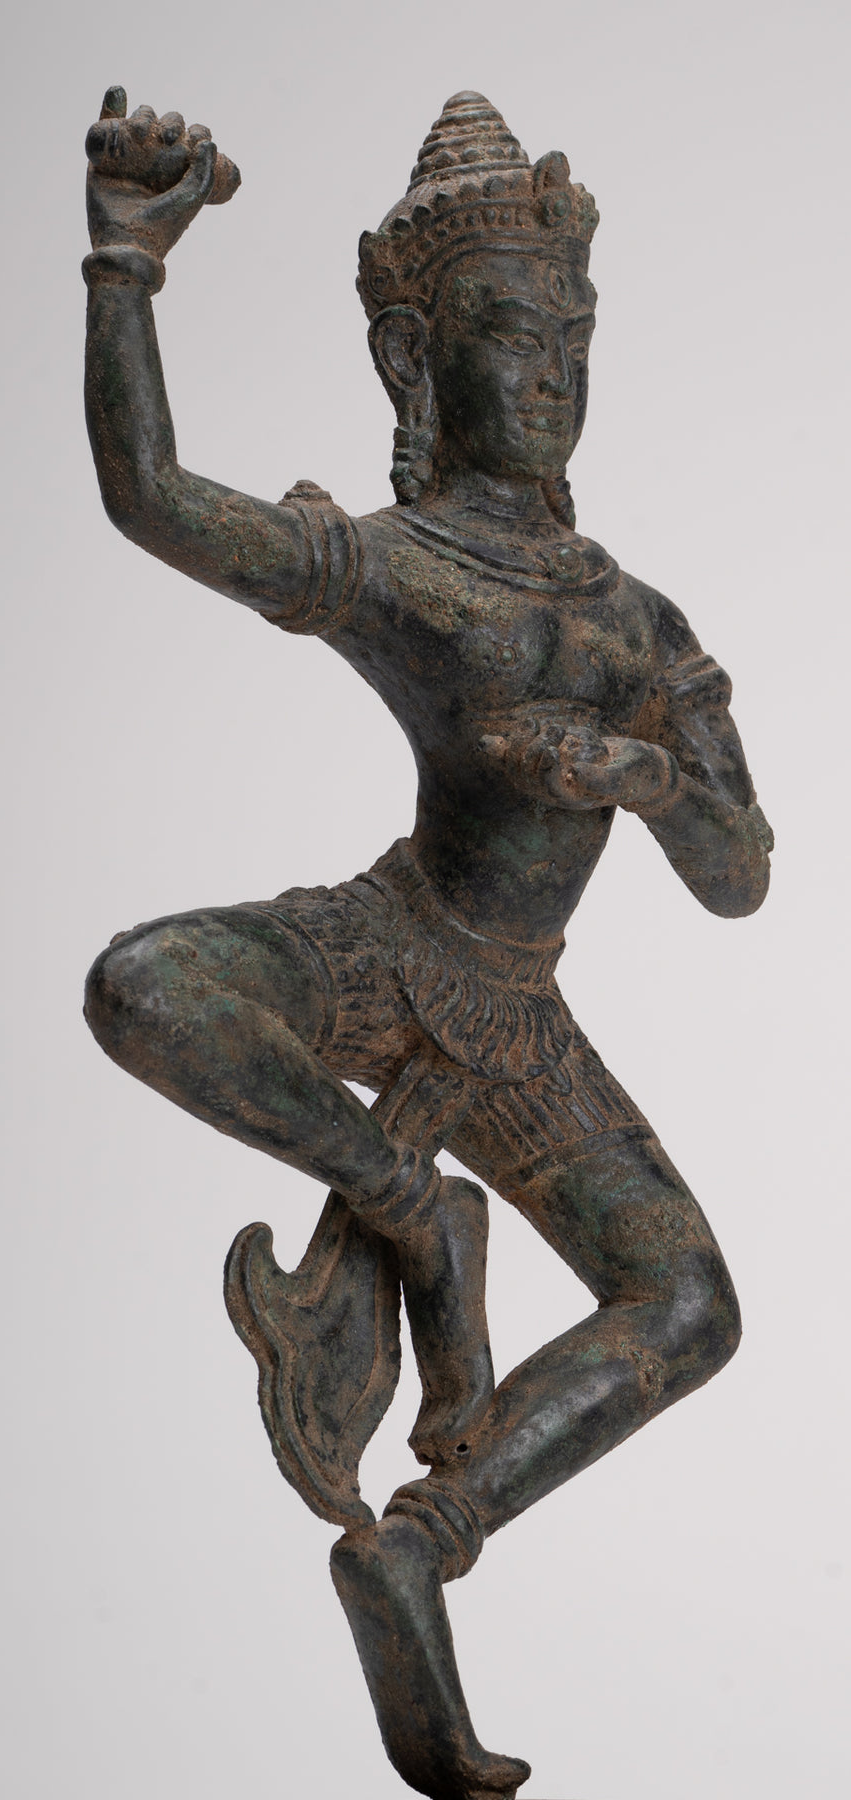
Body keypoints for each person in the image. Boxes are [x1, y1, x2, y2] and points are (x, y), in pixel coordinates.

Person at [82, 88, 772, 1800]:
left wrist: (638, 775)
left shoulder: (640, 626)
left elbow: (739, 875)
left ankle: (423, 1538)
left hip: (516, 1018)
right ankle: (403, 1199)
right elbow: (152, 499)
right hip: (387, 946)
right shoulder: (403, 569)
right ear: (413, 356)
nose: (550, 374)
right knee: (145, 983)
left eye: (571, 338)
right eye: (508, 335)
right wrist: (124, 265)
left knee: (686, 1304)